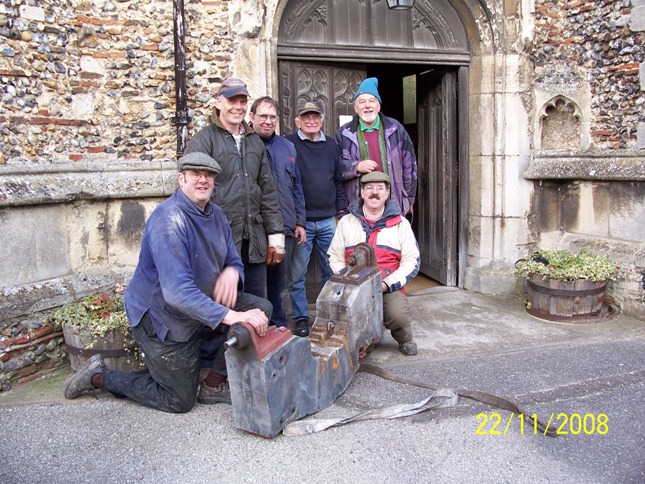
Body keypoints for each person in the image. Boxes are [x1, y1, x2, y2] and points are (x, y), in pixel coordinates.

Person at [63, 152, 273, 412]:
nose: (203, 180)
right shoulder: (169, 221)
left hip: (202, 301)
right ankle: (99, 377)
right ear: (180, 179)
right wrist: (231, 316)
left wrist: (232, 273)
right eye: (195, 174)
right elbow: (176, 293)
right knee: (179, 400)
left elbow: (234, 260)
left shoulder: (216, 215)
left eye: (208, 175)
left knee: (259, 309)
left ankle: (213, 383)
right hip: (162, 317)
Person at [184, 77, 285, 300]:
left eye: (242, 101)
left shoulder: (254, 141)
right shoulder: (204, 140)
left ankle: (257, 336)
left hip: (254, 241)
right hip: (219, 241)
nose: (238, 107)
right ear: (219, 102)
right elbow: (190, 195)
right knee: (223, 301)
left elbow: (267, 191)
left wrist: (276, 237)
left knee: (258, 300)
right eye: (232, 101)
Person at [328, 171, 420, 356]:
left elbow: (412, 261)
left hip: (386, 286)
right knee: (335, 313)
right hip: (353, 286)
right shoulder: (346, 222)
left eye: (380, 188)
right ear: (362, 192)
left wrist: (387, 284)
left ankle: (405, 338)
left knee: (398, 315)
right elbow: (334, 257)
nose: (374, 193)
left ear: (387, 194)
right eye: (369, 188)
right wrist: (348, 280)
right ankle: (360, 341)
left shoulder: (401, 224)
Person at [286, 99, 347, 337]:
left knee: (331, 272)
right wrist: (296, 220)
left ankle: (327, 316)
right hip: (302, 222)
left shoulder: (331, 145)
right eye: (306, 117)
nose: (311, 121)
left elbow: (338, 181)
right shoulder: (289, 144)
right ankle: (301, 318)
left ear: (322, 120)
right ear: (297, 121)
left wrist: (341, 211)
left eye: (315, 117)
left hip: (328, 220)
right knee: (297, 274)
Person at [249, 96, 307, 329]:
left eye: (273, 117)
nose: (268, 121)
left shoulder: (288, 148)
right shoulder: (244, 145)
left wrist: (300, 222)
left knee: (278, 285)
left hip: (285, 229)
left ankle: (279, 328)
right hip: (255, 231)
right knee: (256, 287)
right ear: (251, 117)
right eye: (263, 116)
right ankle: (258, 332)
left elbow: (297, 187)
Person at [335, 77, 418, 217]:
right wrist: (356, 167)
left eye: (372, 101)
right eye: (362, 102)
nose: (367, 105)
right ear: (355, 108)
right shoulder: (343, 134)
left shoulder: (396, 129)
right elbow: (335, 167)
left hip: (392, 201)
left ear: (378, 106)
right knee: (362, 239)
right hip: (357, 205)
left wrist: (409, 199)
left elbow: (409, 166)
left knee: (390, 239)